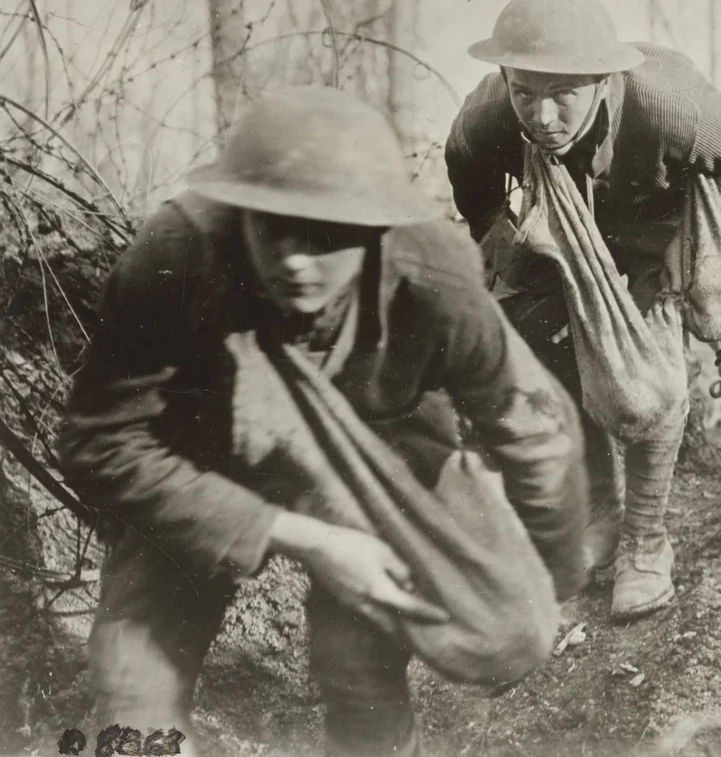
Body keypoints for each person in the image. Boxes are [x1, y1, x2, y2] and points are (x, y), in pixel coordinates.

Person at [60, 87, 588, 757]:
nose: (295, 259)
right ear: (240, 213)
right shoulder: (178, 253)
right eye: (274, 228)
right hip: (204, 453)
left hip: (375, 460)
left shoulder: (434, 277)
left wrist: (549, 577)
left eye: (327, 236)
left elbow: (535, 429)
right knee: (134, 683)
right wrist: (299, 536)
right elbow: (99, 440)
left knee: (359, 661)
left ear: (374, 232)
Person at [444, 0, 721, 622]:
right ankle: (601, 512)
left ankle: (646, 542)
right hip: (566, 223)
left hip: (658, 228)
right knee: (540, 344)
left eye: (563, 95)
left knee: (646, 381)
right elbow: (465, 162)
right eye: (525, 92)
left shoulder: (671, 111)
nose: (540, 115)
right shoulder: (493, 110)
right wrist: (493, 229)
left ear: (602, 81)